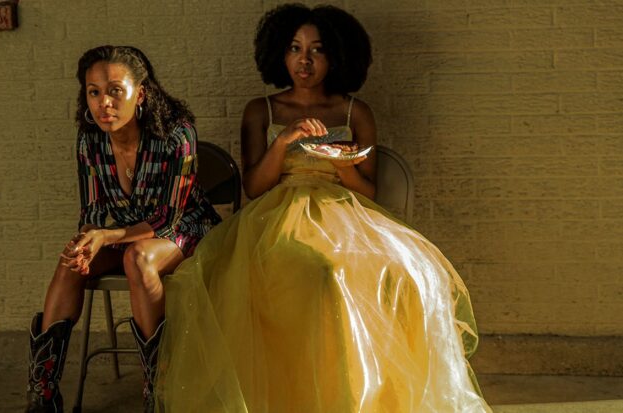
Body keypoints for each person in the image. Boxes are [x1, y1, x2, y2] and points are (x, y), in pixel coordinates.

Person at [153, 4, 492, 412]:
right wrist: (284, 142)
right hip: (279, 211)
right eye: (295, 49)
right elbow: (255, 187)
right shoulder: (261, 110)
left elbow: (367, 191)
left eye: (317, 50)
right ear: (280, 53)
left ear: (336, 56)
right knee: (321, 270)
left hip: (345, 210)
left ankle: (361, 394)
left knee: (409, 272)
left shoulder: (355, 112)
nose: (305, 60)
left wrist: (337, 160)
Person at [24, 45, 221, 413]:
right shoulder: (90, 140)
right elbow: (94, 210)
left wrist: (109, 237)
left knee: (138, 258)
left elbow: (168, 218)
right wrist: (87, 243)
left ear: (141, 94)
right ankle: (43, 393)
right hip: (126, 234)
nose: (104, 103)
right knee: (72, 258)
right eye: (94, 92)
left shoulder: (177, 135)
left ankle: (156, 392)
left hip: (186, 229)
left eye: (115, 90)